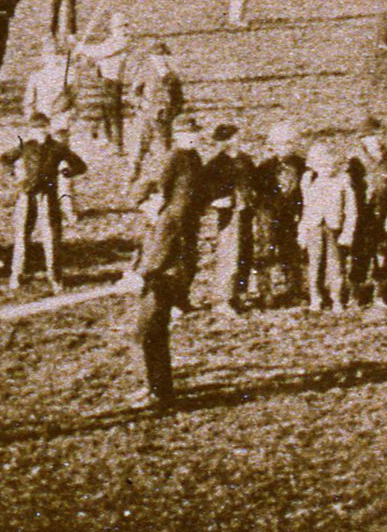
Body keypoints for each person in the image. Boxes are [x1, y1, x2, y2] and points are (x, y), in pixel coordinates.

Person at [124, 114, 206, 408]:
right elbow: (144, 248)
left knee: (145, 334)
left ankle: (157, 393)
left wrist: (142, 273)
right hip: (159, 276)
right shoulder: (154, 219)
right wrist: (133, 270)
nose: (150, 205)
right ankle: (157, 387)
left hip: (164, 279)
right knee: (152, 334)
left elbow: (159, 252)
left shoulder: (167, 220)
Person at [0, 112, 87, 292]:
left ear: (49, 127)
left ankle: (55, 278)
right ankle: (17, 276)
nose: (40, 131)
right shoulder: (25, 146)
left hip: (48, 195)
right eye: (36, 128)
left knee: (51, 238)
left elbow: (80, 165)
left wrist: (67, 173)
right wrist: (15, 175)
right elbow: (5, 159)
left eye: (43, 127)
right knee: (22, 235)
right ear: (30, 129)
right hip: (27, 195)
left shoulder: (58, 148)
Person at [348, 118, 387, 307]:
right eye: (371, 136)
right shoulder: (354, 160)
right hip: (361, 217)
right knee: (359, 253)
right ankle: (355, 293)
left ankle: (379, 293)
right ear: (362, 139)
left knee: (381, 254)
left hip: (383, 216)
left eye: (379, 135)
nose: (377, 140)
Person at [203, 124, 257, 315]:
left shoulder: (244, 159)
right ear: (223, 142)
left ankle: (239, 294)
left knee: (245, 255)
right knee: (229, 256)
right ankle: (222, 300)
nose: (238, 140)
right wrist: (217, 200)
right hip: (229, 216)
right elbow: (206, 190)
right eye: (234, 137)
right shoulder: (216, 164)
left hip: (246, 213)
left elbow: (254, 182)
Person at [298, 142, 358, 312]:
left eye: (330, 165)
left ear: (336, 164)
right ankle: (315, 299)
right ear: (314, 165)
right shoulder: (309, 181)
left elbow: (351, 211)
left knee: (336, 266)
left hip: (334, 228)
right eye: (321, 165)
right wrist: (302, 231)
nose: (326, 169)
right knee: (315, 265)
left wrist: (347, 233)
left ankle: (337, 299)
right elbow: (306, 207)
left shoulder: (343, 182)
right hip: (314, 227)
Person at [252, 121, 306, 306]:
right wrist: (264, 215)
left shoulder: (302, 166)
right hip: (268, 217)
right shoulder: (264, 168)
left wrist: (300, 213)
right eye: (280, 143)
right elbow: (258, 196)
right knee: (265, 252)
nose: (285, 148)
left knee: (292, 253)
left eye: (289, 143)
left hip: (292, 216)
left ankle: (295, 290)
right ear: (272, 146)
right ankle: (266, 292)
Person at [129, 40, 184, 181]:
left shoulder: (172, 75)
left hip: (164, 115)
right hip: (147, 113)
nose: (160, 59)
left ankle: (166, 176)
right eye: (156, 56)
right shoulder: (146, 71)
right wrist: (140, 104)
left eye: (163, 56)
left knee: (164, 146)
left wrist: (174, 112)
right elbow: (134, 92)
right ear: (151, 57)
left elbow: (179, 98)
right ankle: (134, 171)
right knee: (140, 144)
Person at [77, 13, 131, 155]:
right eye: (118, 27)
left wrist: (81, 48)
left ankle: (118, 146)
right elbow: (97, 52)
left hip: (114, 82)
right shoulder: (112, 40)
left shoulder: (122, 41)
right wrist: (81, 49)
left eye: (123, 26)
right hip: (105, 81)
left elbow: (101, 52)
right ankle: (109, 141)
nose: (122, 29)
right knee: (106, 113)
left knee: (113, 114)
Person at [22, 39, 72, 120]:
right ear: (43, 56)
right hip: (41, 119)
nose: (52, 57)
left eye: (56, 54)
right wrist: (31, 117)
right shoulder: (36, 77)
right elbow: (28, 102)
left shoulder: (69, 77)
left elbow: (73, 101)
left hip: (62, 120)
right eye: (48, 53)